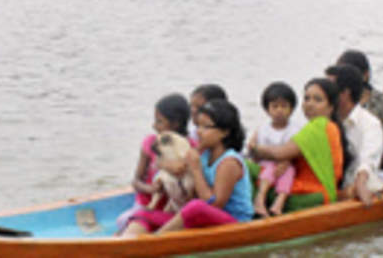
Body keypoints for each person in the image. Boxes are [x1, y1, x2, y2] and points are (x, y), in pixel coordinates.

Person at [122, 99, 254, 236]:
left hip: (234, 222)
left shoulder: (229, 162)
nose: (199, 132)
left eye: (206, 127)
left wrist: (196, 169)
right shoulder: (204, 154)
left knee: (195, 206)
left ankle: (155, 241)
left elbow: (213, 204)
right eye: (198, 126)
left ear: (225, 132)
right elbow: (178, 170)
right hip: (203, 217)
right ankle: (125, 244)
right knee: (142, 214)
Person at [247, 79, 350, 211]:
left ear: (330, 107)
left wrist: (254, 148)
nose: (310, 104)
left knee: (245, 167)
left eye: (318, 100)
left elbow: (279, 153)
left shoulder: (318, 126)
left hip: (312, 195)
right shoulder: (326, 127)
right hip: (316, 192)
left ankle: (252, 214)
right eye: (307, 99)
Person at [116, 93, 191, 231]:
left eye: (159, 121)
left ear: (176, 124)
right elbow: (136, 180)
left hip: (172, 211)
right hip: (146, 205)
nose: (154, 126)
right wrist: (150, 189)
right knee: (123, 221)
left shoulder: (188, 147)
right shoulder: (151, 143)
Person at [325, 64, 383, 206]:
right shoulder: (324, 121)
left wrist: (360, 182)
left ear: (344, 93)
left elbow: (367, 161)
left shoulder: (370, 124)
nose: (324, 93)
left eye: (328, 89)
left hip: (354, 186)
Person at [247, 82, 301, 217]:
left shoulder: (294, 129)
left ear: (292, 109)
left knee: (289, 171)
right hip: (265, 163)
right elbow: (252, 144)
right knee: (271, 166)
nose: (279, 110)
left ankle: (279, 202)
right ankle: (260, 198)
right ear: (267, 109)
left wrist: (287, 162)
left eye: (284, 106)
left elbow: (293, 150)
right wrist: (253, 147)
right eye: (275, 106)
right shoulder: (263, 127)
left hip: (285, 164)